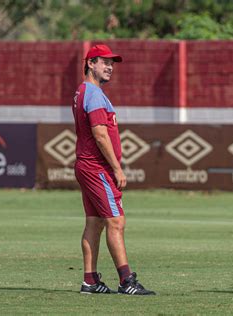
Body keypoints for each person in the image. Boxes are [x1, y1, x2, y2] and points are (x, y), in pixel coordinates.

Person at [72, 44, 155, 295]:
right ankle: (126, 281)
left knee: (94, 222)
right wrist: (117, 169)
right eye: (104, 62)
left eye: (112, 63)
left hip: (87, 165)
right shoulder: (94, 94)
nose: (109, 67)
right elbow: (100, 134)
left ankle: (90, 280)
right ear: (90, 63)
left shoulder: (84, 91)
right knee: (116, 221)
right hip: (97, 167)